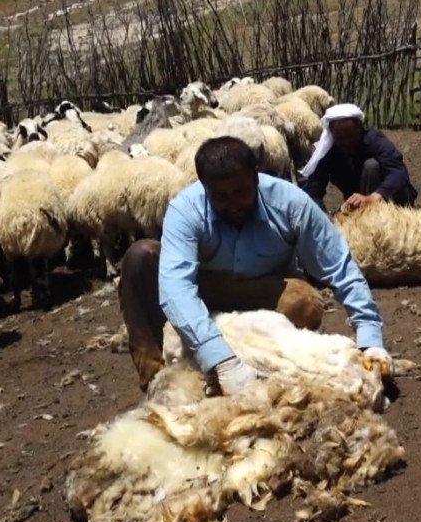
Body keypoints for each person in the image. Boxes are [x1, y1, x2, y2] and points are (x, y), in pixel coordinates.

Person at [117, 135, 391, 392]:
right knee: (141, 256)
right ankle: (157, 380)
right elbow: (176, 288)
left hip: (263, 291)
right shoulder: (186, 210)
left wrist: (370, 338)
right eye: (220, 197)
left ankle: (279, 366)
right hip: (205, 290)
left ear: (256, 178)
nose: (233, 203)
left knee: (305, 301)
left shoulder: (290, 203)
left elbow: (339, 266)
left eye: (241, 192)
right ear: (204, 187)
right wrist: (220, 358)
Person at [300, 103, 417, 211]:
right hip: (358, 202)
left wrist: (372, 197)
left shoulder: (375, 140)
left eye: (351, 136)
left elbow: (398, 172)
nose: (346, 142)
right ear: (332, 134)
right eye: (340, 138)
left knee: (371, 166)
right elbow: (314, 188)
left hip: (393, 199)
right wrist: (321, 214)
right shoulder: (329, 151)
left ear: (360, 129)